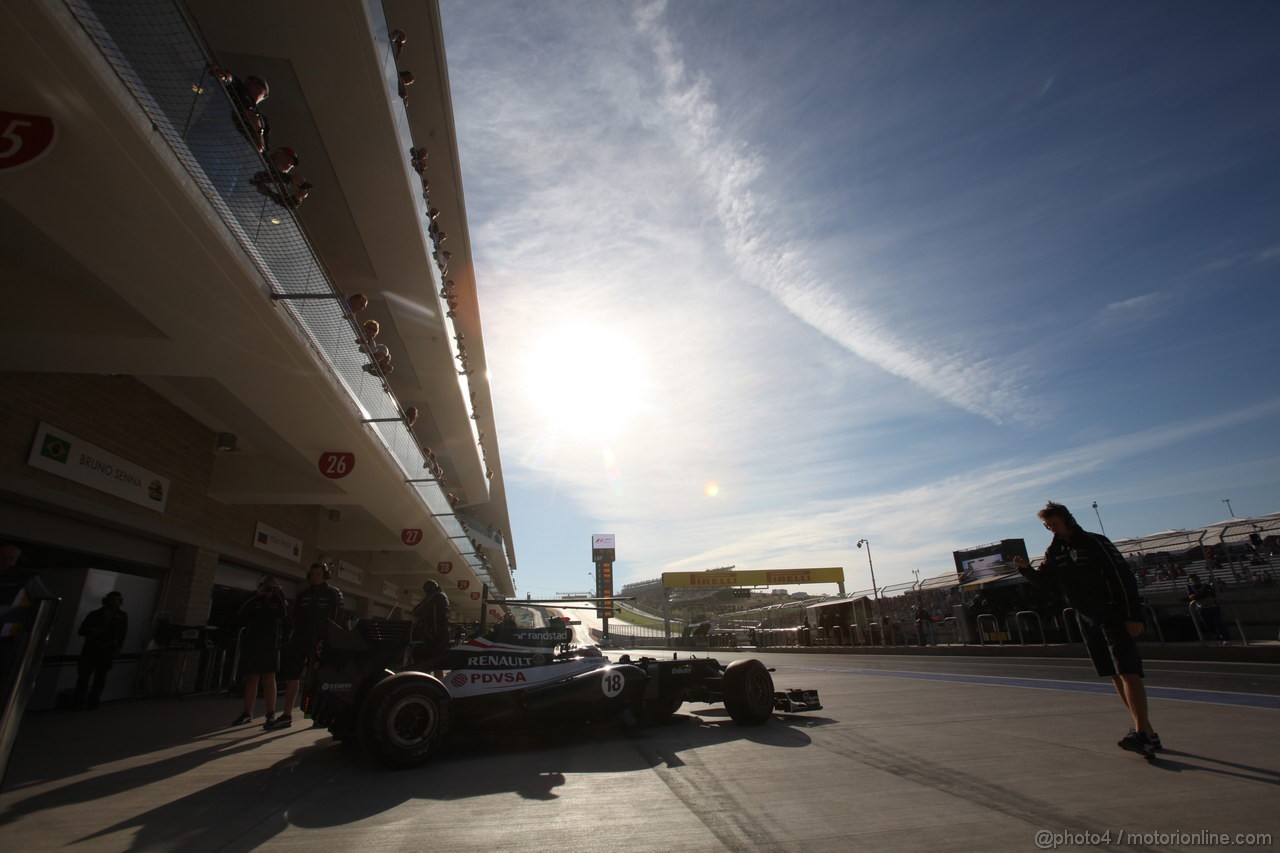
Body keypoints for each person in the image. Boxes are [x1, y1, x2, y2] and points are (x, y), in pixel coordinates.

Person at [1013, 502, 1161, 758]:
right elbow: (1047, 582)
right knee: (1113, 673)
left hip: (1112, 612)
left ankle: (1142, 733)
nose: (1052, 529)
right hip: (1086, 616)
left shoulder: (1095, 542)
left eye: (1055, 524)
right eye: (1047, 526)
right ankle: (1146, 731)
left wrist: (1132, 614)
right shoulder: (1055, 550)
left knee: (1127, 670)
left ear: (1067, 519)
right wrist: (1025, 570)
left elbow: (1123, 577)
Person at [265, 563, 344, 731]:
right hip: (300, 640)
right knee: (293, 675)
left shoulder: (333, 594)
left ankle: (318, 716)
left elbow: (336, 620)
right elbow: (294, 617)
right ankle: (287, 714)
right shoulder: (303, 595)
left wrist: (329, 641)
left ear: (325, 575)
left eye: (318, 573)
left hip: (321, 642)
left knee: (319, 679)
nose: (314, 576)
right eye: (312, 573)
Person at [230, 577, 289, 726]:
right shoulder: (254, 599)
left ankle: (270, 713)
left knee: (269, 678)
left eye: (272, 588)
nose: (269, 590)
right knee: (252, 678)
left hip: (270, 644)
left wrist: (278, 593)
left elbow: (285, 613)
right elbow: (241, 611)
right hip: (253, 643)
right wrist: (257, 594)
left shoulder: (278, 601)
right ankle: (247, 713)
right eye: (267, 587)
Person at [73, 591, 128, 710]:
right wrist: (92, 631)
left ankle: (93, 702)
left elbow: (122, 634)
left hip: (107, 649)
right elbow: (82, 630)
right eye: (113, 600)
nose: (115, 603)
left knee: (100, 677)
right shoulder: (95, 614)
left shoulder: (121, 616)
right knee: (84, 676)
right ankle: (78, 702)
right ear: (107, 601)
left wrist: (118, 648)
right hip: (91, 647)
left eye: (117, 600)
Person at [410, 579, 450, 675]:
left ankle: (426, 682)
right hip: (442, 634)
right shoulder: (442, 595)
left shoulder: (436, 596)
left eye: (426, 592)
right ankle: (438, 682)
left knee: (425, 660)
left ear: (428, 590)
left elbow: (417, 611)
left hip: (435, 635)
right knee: (437, 662)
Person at [1186, 573, 1228, 643]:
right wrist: (1199, 596)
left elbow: (1210, 593)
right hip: (1202, 607)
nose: (1195, 581)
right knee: (1207, 623)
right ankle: (1216, 636)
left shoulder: (1205, 585)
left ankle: (1224, 637)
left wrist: (1199, 596)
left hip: (1212, 606)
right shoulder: (1190, 587)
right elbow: (1191, 596)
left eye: (1196, 579)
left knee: (1218, 623)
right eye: (1193, 579)